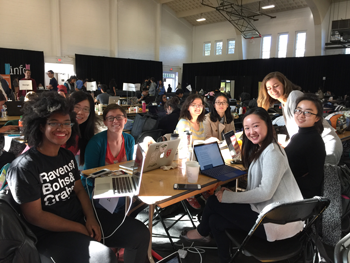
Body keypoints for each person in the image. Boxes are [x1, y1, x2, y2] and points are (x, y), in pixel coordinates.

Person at [6, 92, 118, 263]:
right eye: (54, 123)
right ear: (41, 126)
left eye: (67, 123)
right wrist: (79, 227)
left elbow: (79, 189)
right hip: (48, 235)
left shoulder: (66, 155)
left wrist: (91, 218)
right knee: (105, 256)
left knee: (139, 233)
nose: (62, 128)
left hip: (78, 220)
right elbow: (35, 216)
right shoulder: (24, 166)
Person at [181, 107, 304, 263]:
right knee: (215, 220)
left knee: (213, 201)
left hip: (276, 222)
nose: (251, 131)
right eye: (247, 128)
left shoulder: (272, 152)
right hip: (271, 215)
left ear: (267, 124)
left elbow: (265, 193)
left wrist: (230, 196)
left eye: (255, 126)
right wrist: (232, 193)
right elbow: (259, 190)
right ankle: (224, 259)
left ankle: (201, 232)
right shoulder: (264, 148)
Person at [257, 71, 342, 165]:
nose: (272, 90)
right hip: (312, 146)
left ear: (284, 84)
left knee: (323, 177)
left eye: (276, 86)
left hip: (325, 144)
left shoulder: (294, 96)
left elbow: (303, 129)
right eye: (269, 88)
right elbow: (298, 132)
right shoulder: (284, 103)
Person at [285, 94, 326, 198]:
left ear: (317, 118)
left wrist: (284, 181)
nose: (301, 115)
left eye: (307, 112)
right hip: (289, 190)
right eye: (298, 110)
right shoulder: (296, 136)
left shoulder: (314, 142)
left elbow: (314, 181)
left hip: (300, 198)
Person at [67, 91, 98, 171]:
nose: (80, 112)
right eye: (77, 107)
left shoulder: (82, 131)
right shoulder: (61, 129)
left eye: (85, 109)